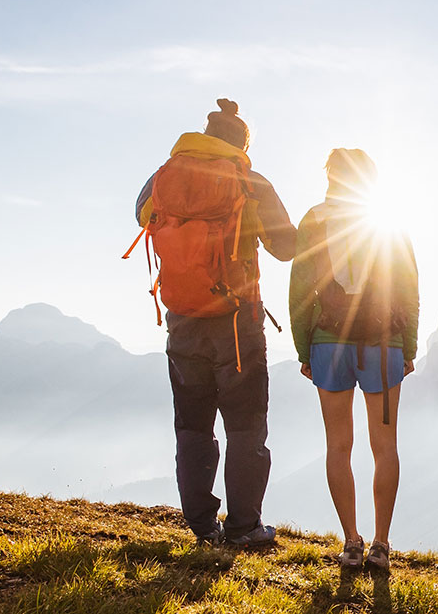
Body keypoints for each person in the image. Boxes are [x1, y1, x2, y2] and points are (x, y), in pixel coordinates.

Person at [133, 99, 295, 548]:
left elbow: (140, 217)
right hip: (238, 325)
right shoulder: (250, 181)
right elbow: (286, 247)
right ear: (242, 143)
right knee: (245, 426)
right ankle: (244, 527)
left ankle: (204, 527)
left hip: (182, 321)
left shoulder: (160, 179)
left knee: (192, 425)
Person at [289, 148, 419, 569]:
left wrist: (303, 349)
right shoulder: (388, 218)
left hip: (330, 343)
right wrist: (410, 347)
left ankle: (351, 542)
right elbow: (408, 287)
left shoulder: (315, 219)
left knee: (337, 445)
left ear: (330, 178)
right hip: (384, 345)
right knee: (385, 446)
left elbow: (300, 287)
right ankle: (381, 545)